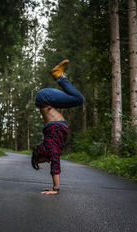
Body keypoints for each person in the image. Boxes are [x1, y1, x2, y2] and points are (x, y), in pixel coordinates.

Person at [31, 59, 85, 195]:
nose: (45, 162)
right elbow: (53, 161)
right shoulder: (49, 145)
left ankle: (58, 75)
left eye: (41, 161)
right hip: (45, 100)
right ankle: (60, 75)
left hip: (45, 97)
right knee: (76, 99)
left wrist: (55, 188)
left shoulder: (49, 147)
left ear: (40, 156)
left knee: (79, 99)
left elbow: (55, 164)